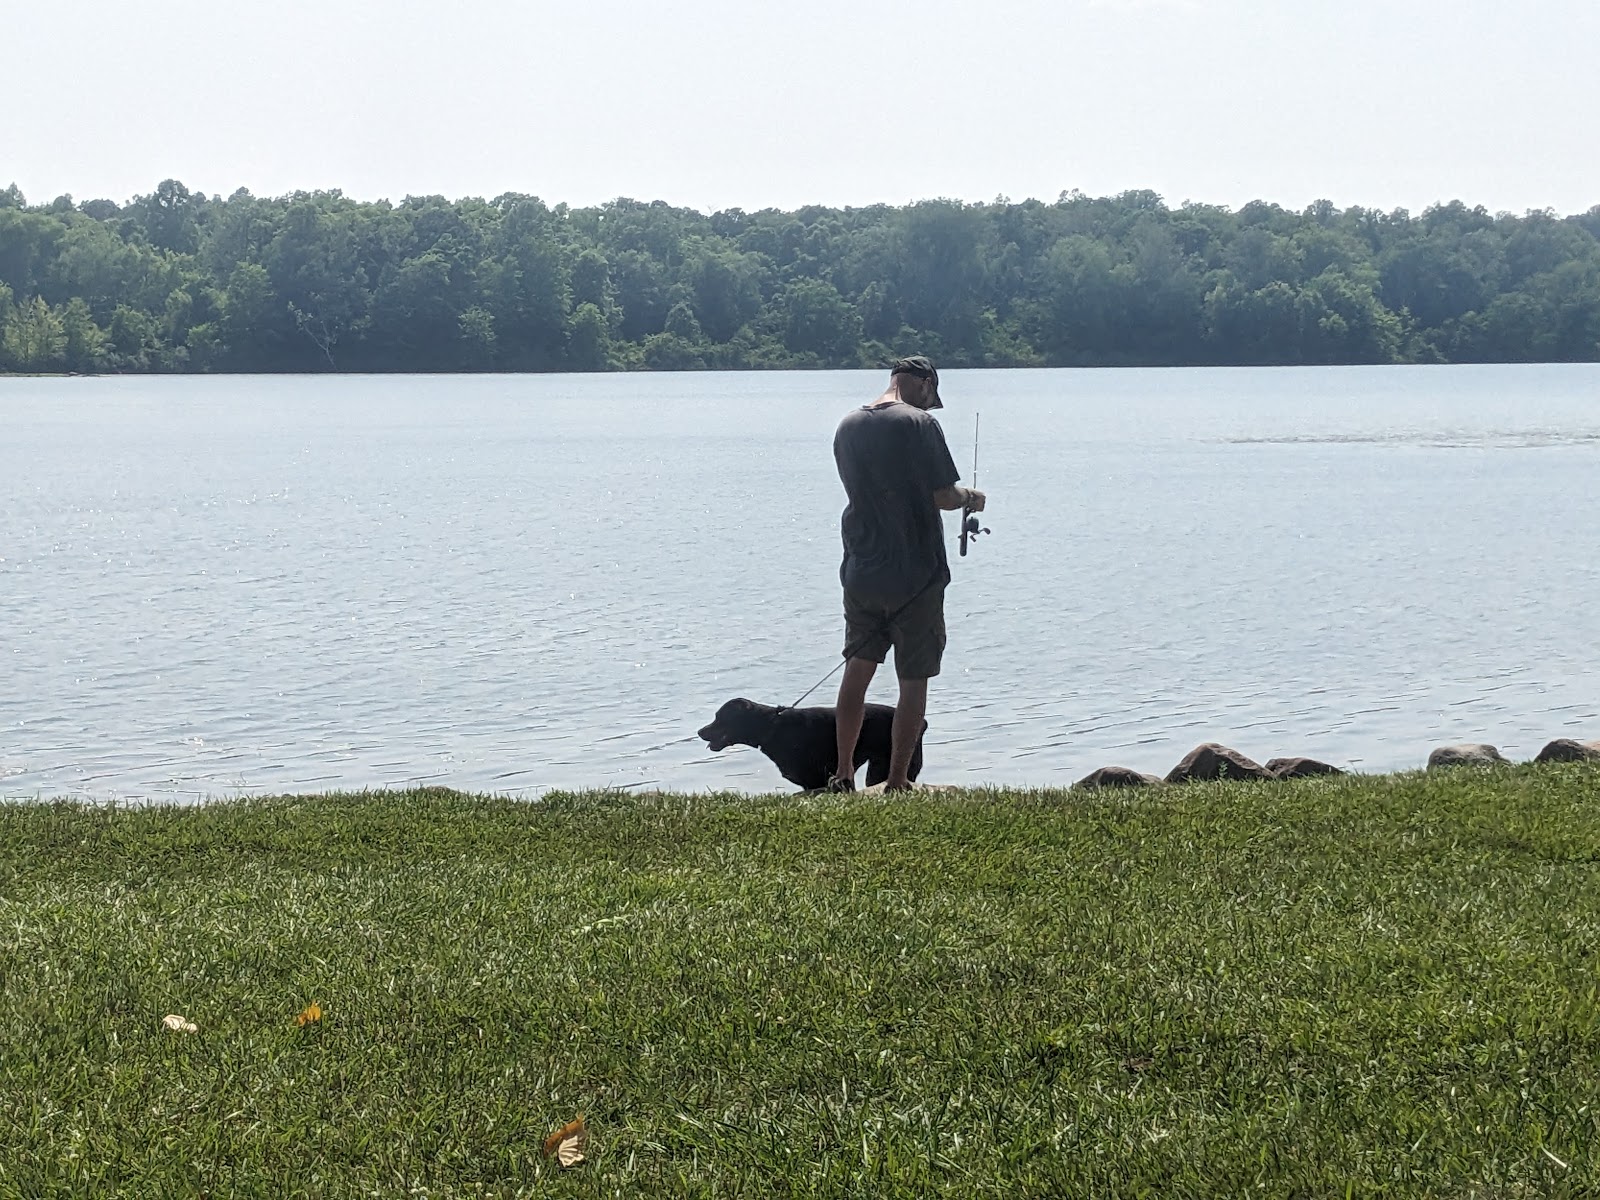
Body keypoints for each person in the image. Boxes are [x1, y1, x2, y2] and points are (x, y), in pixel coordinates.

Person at [828, 356, 986, 792]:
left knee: (857, 670)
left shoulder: (847, 425)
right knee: (912, 678)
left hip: (860, 569)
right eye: (931, 395)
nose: (930, 404)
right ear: (923, 383)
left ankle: (843, 772)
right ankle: (897, 781)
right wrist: (970, 496)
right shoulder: (919, 423)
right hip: (915, 576)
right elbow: (942, 495)